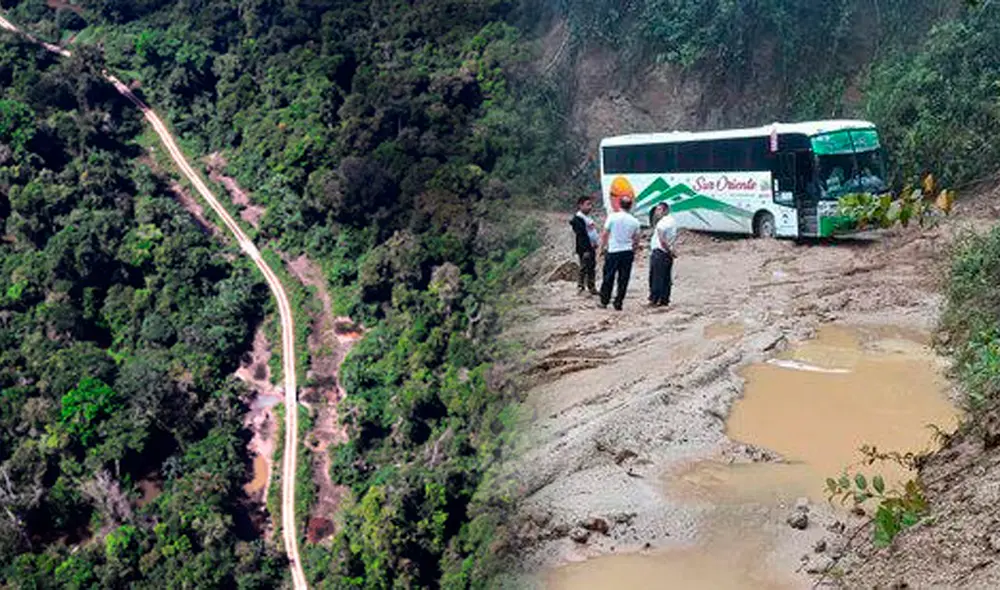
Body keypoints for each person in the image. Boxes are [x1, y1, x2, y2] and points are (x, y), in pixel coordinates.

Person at [599, 195, 641, 311]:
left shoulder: (612, 217)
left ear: (619, 204)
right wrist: (634, 250)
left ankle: (604, 301)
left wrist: (602, 248)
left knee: (608, 277)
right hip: (627, 251)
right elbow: (636, 239)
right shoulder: (635, 221)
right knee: (623, 278)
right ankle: (618, 302)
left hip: (613, 251)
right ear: (630, 206)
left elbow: (605, 234)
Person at [648, 202, 678, 307]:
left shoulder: (663, 223)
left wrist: (669, 251)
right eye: (657, 210)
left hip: (660, 252)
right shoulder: (671, 221)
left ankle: (654, 299)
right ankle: (664, 299)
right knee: (665, 277)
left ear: (666, 210)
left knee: (656, 277)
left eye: (659, 210)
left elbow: (662, 240)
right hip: (666, 252)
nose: (657, 212)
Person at [569, 196, 599, 295]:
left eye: (590, 204)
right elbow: (581, 236)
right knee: (584, 267)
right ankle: (580, 287)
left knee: (591, 267)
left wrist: (595, 243)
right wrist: (586, 249)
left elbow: (591, 231)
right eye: (587, 204)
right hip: (585, 248)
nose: (590, 207)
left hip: (591, 246)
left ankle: (592, 287)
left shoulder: (587, 217)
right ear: (580, 205)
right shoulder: (578, 219)